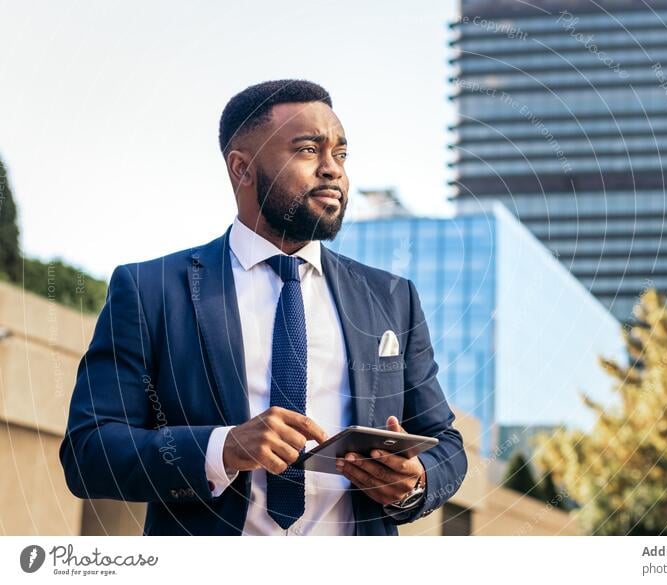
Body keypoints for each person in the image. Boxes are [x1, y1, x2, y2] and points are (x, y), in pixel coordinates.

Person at [59, 79, 467, 536]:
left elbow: (447, 444)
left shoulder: (392, 298)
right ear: (242, 168)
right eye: (309, 150)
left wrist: (415, 480)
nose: (332, 170)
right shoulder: (149, 290)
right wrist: (223, 448)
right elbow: (88, 452)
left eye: (341, 154)